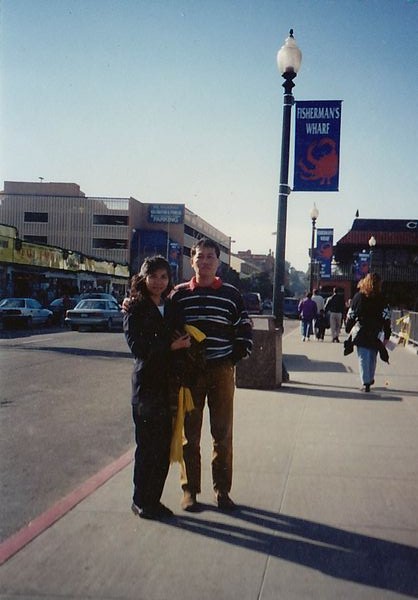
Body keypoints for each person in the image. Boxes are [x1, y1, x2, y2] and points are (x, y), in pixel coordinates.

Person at [171, 238, 253, 512]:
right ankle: (190, 490)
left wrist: (236, 355)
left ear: (218, 262)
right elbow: (161, 319)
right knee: (189, 436)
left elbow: (244, 324)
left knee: (222, 434)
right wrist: (131, 302)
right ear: (191, 260)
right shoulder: (179, 294)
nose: (204, 261)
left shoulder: (231, 294)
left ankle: (222, 491)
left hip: (221, 371)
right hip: (190, 374)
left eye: (210, 257)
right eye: (199, 256)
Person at [123, 256, 191, 520]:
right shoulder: (134, 309)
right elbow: (138, 349)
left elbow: (181, 333)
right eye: (153, 276)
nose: (158, 282)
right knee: (146, 447)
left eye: (163, 277)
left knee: (163, 448)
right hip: (146, 388)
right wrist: (171, 347)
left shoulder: (171, 306)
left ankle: (155, 500)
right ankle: (140, 500)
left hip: (169, 387)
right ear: (143, 278)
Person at [345, 273, 391, 392]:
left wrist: (348, 327)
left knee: (363, 357)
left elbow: (351, 314)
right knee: (372, 356)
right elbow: (386, 317)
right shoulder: (382, 298)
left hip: (362, 330)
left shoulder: (358, 297)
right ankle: (369, 378)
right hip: (376, 331)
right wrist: (387, 334)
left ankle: (366, 382)